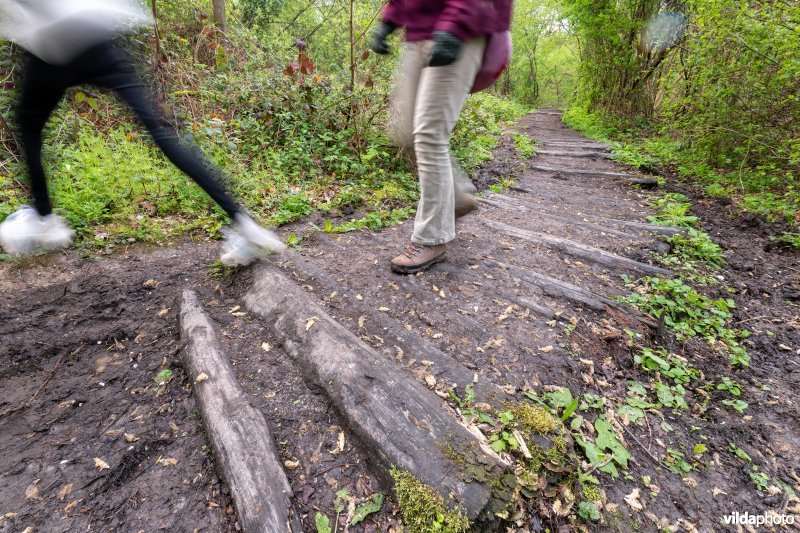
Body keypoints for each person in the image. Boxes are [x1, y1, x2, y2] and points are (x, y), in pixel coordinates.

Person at [0, 0, 284, 266]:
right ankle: (244, 222)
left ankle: (45, 218)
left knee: (28, 124)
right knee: (162, 133)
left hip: (53, 41)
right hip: (94, 33)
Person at [370, 0, 513, 274]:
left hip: (460, 29)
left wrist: (457, 25)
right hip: (417, 34)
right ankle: (456, 200)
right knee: (406, 132)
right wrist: (388, 21)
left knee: (429, 134)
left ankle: (432, 239)